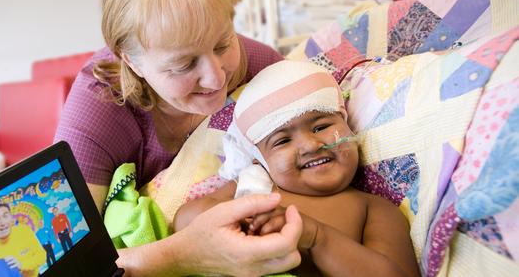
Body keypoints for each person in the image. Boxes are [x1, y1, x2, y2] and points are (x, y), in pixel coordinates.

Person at [53, 0, 307, 275]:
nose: (216, 79)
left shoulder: (260, 67)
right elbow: (67, 263)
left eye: (222, 43)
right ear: (133, 62)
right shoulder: (98, 107)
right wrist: (186, 255)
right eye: (183, 65)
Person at [174, 60, 420, 277]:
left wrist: (316, 238)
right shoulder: (253, 184)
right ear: (261, 160)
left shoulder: (373, 209)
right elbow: (185, 220)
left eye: (321, 127)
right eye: (282, 141)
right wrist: (239, 219)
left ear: (348, 126)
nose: (310, 145)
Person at [0, 203, 46, 277]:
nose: (2, 223)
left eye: (5, 216)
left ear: (11, 218)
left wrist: (22, 265)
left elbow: (42, 256)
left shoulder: (24, 230)